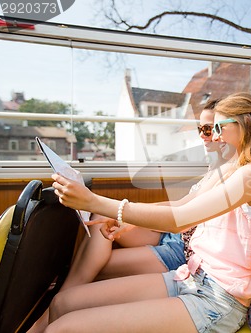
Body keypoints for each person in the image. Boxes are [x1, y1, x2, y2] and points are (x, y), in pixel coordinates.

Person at [42, 92, 251, 333]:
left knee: (62, 329)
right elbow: (182, 206)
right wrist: (124, 219)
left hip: (216, 299)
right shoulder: (233, 168)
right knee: (63, 303)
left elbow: (179, 221)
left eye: (220, 127)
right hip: (190, 276)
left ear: (247, 123)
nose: (215, 136)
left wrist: (93, 202)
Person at [27, 99, 227, 333]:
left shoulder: (236, 177)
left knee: (96, 265)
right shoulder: (214, 168)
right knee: (101, 219)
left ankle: (57, 305)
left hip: (182, 247)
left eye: (209, 129)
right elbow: (179, 204)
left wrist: (124, 213)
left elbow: (181, 216)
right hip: (173, 235)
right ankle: (62, 299)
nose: (204, 136)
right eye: (200, 129)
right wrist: (127, 213)